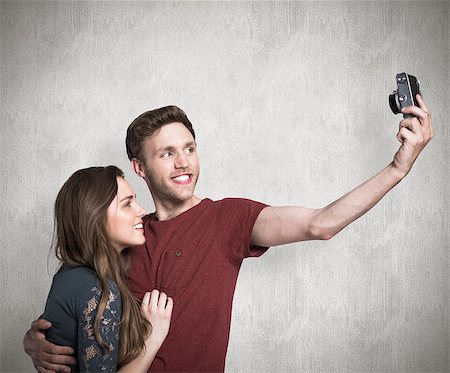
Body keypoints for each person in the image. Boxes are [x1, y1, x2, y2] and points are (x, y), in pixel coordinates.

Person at [24, 96, 433, 372]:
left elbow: (321, 223)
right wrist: (36, 342)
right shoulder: (125, 232)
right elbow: (77, 305)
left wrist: (398, 168)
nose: (184, 162)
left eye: (190, 147)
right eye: (167, 153)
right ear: (139, 167)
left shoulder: (228, 219)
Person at [33, 166, 173, 372]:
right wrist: (153, 336)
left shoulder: (71, 274)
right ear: (95, 216)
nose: (141, 211)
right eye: (127, 204)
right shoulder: (97, 288)